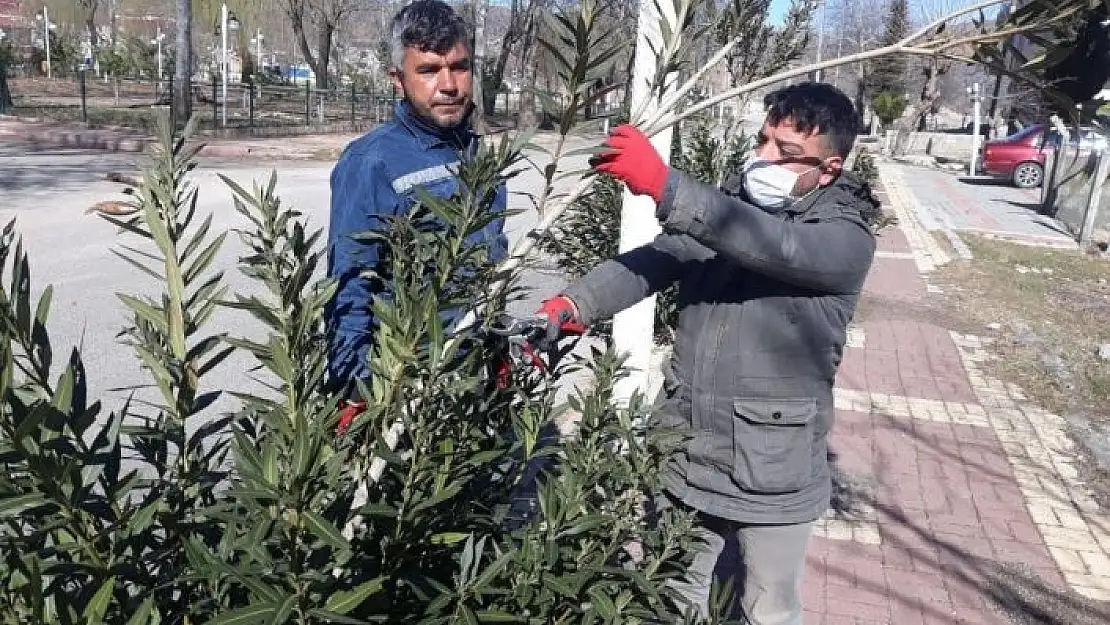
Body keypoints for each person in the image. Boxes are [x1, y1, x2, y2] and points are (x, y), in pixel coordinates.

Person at [536, 82, 878, 625]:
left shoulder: (845, 240)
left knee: (767, 610)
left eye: (785, 153)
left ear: (830, 168)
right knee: (670, 598)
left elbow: (773, 245)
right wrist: (572, 304)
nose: (763, 158)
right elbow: (657, 260)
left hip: (775, 473)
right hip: (688, 452)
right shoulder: (732, 209)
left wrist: (664, 184)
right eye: (762, 140)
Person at [326, 0, 508, 396]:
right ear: (398, 79)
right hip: (409, 388)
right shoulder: (371, 162)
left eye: (459, 67)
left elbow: (490, 263)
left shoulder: (477, 154)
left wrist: (499, 346)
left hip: (477, 380)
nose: (448, 84)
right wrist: (355, 393)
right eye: (427, 70)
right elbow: (349, 287)